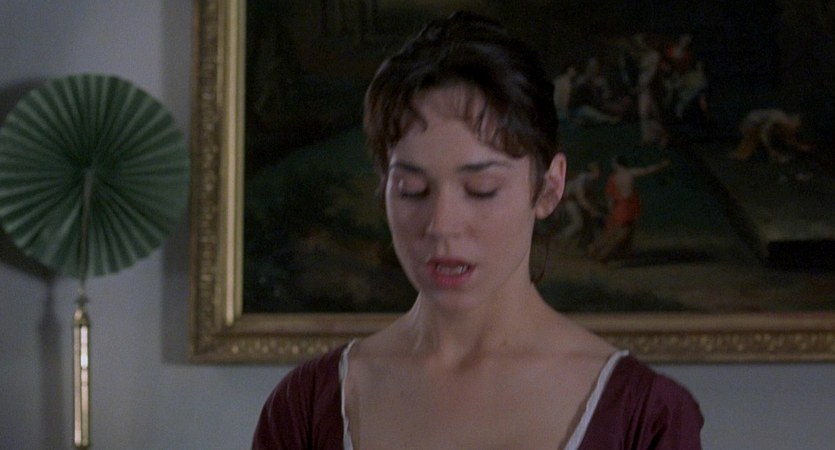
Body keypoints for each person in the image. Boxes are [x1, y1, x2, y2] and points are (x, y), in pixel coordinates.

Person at [253, 11, 702, 449]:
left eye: (482, 189)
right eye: (411, 189)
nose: (441, 226)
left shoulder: (643, 418)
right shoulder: (307, 407)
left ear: (549, 188)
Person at [588, 156, 671, 263]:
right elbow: (647, 170)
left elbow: (610, 197)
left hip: (621, 205)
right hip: (627, 206)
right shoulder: (630, 173)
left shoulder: (614, 177)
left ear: (616, 164)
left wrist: (611, 210)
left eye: (613, 163)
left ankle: (603, 250)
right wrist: (661, 165)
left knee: (624, 232)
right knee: (622, 233)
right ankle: (602, 253)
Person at [728, 108, 812, 163]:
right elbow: (763, 132)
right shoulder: (778, 117)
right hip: (751, 123)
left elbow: (787, 138)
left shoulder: (783, 126)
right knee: (750, 143)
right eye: (793, 128)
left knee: (749, 147)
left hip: (758, 128)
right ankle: (738, 156)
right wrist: (770, 150)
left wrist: (799, 146)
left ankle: (740, 156)